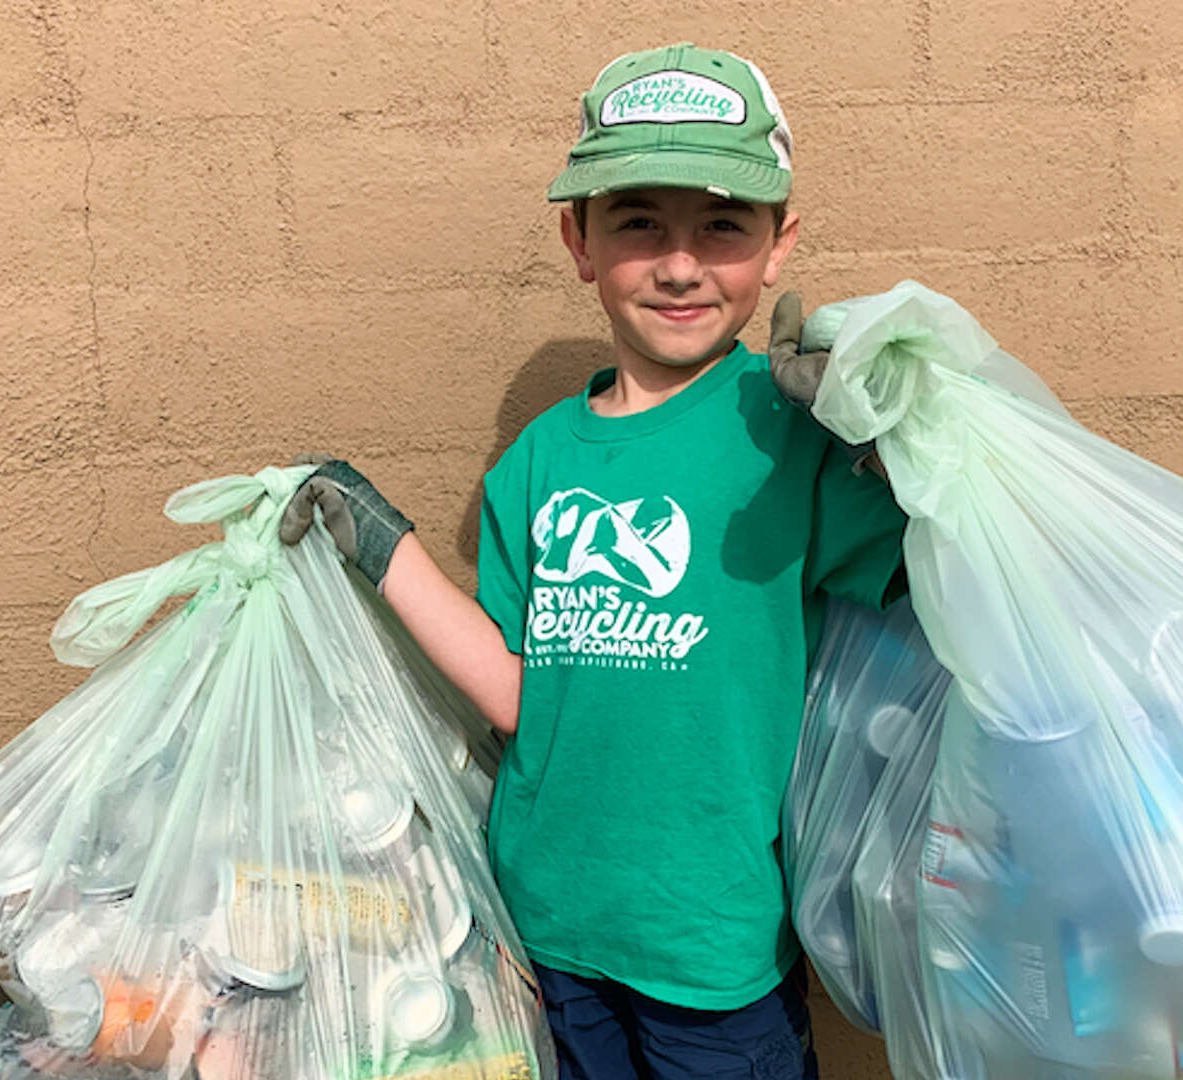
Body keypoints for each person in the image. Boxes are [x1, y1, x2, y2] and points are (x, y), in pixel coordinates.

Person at [280, 43, 906, 1080]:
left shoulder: (790, 435)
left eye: (723, 226)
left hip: (713, 941)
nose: (679, 262)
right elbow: (521, 694)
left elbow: (936, 580)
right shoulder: (537, 462)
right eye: (638, 222)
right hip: (551, 921)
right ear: (579, 239)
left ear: (779, 243)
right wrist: (382, 551)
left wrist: (893, 445)